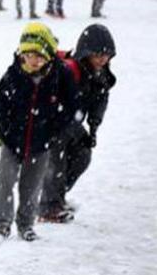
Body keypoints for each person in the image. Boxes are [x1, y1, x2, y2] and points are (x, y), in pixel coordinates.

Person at [0, 23, 77, 241]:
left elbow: (70, 105)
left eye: (39, 55)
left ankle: (26, 224)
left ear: (48, 55)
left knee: (31, 186)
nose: (34, 60)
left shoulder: (60, 76)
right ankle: (1, 224)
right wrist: (6, 127)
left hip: (41, 144)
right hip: (12, 141)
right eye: (29, 55)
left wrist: (54, 129)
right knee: (4, 181)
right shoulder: (14, 74)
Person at [39, 24, 116, 223]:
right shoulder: (69, 70)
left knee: (83, 155)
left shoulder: (101, 75)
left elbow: (100, 100)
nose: (103, 59)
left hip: (71, 123)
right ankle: (48, 207)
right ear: (86, 53)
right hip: (51, 122)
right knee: (57, 156)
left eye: (107, 55)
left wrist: (93, 126)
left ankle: (54, 197)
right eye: (98, 54)